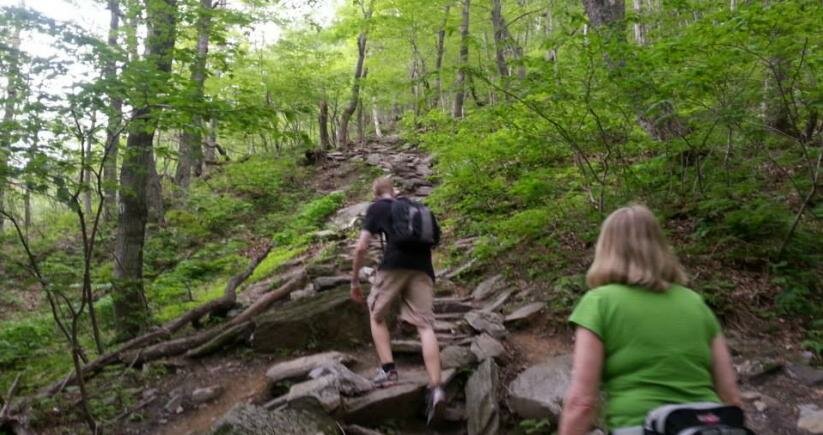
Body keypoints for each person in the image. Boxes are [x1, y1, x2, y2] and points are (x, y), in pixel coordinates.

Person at [559, 205, 743, 435]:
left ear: (606, 249)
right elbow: (731, 396)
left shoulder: (599, 303)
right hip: (707, 427)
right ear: (660, 248)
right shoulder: (695, 303)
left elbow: (582, 402)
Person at [350, 176, 446, 423]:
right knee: (425, 326)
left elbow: (361, 247)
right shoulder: (413, 206)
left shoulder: (377, 207)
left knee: (376, 314)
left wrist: (354, 280)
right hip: (423, 268)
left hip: (393, 265)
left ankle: (388, 370)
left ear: (375, 193)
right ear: (394, 191)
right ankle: (436, 388)